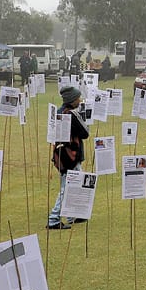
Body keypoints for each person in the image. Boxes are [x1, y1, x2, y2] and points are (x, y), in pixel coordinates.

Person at [48, 86, 90, 229]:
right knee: (67, 188)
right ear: (72, 100)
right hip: (71, 155)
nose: (80, 100)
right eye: (77, 98)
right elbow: (85, 133)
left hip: (62, 155)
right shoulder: (70, 114)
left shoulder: (60, 112)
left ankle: (71, 215)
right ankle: (53, 219)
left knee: (72, 185)